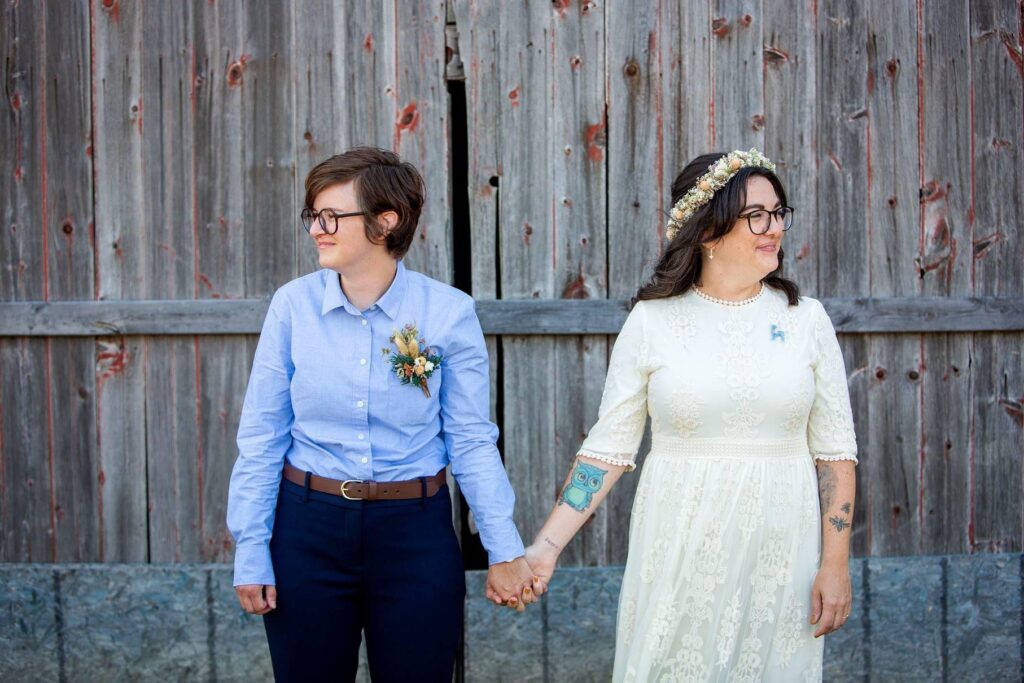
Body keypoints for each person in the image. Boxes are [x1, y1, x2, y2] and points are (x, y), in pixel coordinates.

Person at [523, 149, 858, 681]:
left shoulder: (807, 320)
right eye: (756, 216)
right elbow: (607, 450)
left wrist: (835, 565)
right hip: (678, 540)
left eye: (778, 213)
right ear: (708, 229)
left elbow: (836, 455)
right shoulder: (652, 322)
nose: (773, 228)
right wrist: (546, 547)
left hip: (782, 553)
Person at [226, 147, 539, 682]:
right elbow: (262, 435)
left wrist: (503, 546)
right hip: (307, 532)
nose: (317, 230)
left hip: (413, 536)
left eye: (331, 217)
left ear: (385, 221)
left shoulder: (448, 313)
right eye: (313, 216)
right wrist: (251, 547)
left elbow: (469, 438)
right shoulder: (292, 307)